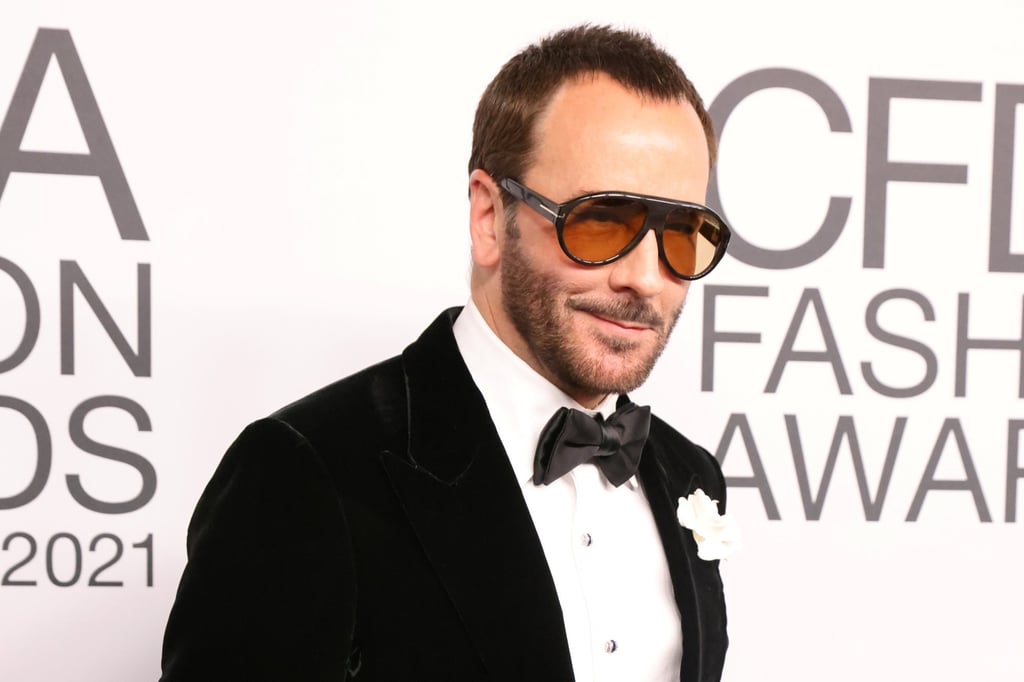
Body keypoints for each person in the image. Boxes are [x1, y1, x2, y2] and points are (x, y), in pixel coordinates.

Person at [160, 24, 734, 682]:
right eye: (600, 221)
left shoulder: (689, 473)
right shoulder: (306, 472)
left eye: (683, 234)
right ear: (490, 218)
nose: (647, 278)